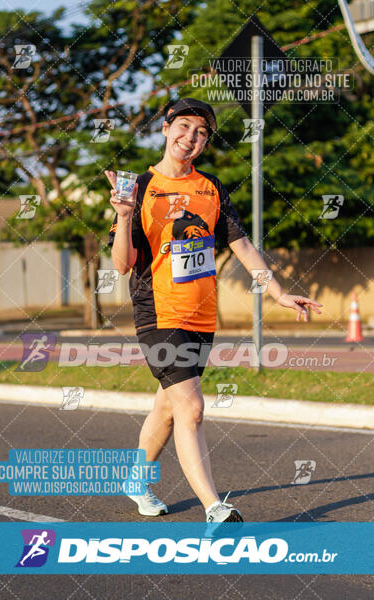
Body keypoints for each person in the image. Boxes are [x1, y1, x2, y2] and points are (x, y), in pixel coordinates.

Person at [106, 97, 322, 524]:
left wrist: (276, 292)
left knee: (168, 407)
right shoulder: (140, 188)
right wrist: (126, 215)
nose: (191, 138)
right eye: (183, 127)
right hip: (158, 313)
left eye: (201, 133)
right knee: (192, 407)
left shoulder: (211, 188)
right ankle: (214, 506)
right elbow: (122, 264)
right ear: (166, 129)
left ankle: (135, 480)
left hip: (202, 316)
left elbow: (241, 245)